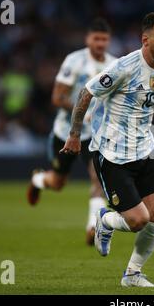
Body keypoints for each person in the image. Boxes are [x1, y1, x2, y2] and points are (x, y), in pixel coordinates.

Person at [60, 12, 154, 287]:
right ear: (145, 39)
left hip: (145, 150)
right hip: (113, 155)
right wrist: (75, 135)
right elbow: (85, 94)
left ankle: (132, 275)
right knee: (139, 220)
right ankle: (105, 220)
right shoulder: (124, 67)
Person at [27, 18, 116, 246]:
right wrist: (82, 111)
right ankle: (38, 179)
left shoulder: (115, 64)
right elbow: (57, 97)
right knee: (58, 183)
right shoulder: (74, 61)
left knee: (98, 179)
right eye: (96, 39)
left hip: (94, 136)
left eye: (104, 39)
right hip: (66, 132)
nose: (100, 43)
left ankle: (93, 227)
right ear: (88, 39)